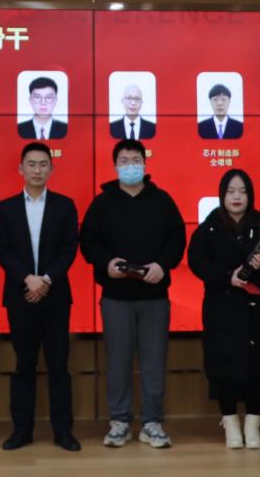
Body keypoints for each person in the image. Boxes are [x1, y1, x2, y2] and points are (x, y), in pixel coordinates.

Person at [80, 140, 186, 449]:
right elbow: (88, 241)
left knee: (154, 362)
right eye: (124, 161)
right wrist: (106, 263)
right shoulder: (103, 203)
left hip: (154, 296)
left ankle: (152, 422)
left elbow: (177, 239)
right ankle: (120, 421)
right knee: (118, 362)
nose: (130, 165)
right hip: (116, 297)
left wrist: (162, 265)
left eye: (135, 159)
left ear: (145, 163)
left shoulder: (162, 200)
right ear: (115, 166)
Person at [187, 169, 260, 450]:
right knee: (222, 363)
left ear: (250, 195)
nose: (236, 197)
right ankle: (229, 421)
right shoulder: (209, 227)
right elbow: (196, 262)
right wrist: (225, 276)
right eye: (231, 191)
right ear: (222, 195)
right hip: (222, 306)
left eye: (242, 191)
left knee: (259, 363)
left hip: (258, 308)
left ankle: (253, 422)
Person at [0, 143, 81, 452]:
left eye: (43, 164)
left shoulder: (65, 205)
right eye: (31, 164)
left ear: (51, 169)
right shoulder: (6, 208)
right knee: (24, 365)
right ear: (21, 169)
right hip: (20, 297)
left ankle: (63, 432)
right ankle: (22, 430)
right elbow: (1, 248)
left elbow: (69, 247)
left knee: (59, 366)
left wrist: (45, 280)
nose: (37, 170)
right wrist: (26, 279)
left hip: (55, 296)